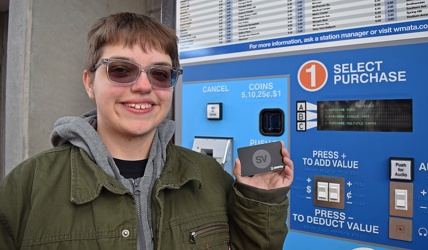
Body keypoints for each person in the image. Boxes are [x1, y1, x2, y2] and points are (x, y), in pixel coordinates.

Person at [0, 12, 294, 250]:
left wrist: (259, 200)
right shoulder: (26, 188)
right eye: (120, 70)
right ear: (89, 82)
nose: (143, 86)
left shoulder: (209, 177)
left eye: (160, 74)